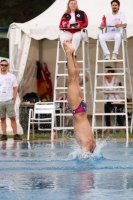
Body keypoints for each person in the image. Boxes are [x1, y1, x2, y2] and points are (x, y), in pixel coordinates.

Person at [63, 40, 96, 152]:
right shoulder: (87, 144)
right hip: (79, 111)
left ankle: (71, 53)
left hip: (82, 110)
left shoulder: (92, 143)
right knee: (74, 79)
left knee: (74, 78)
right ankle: (69, 53)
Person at [0, 59, 22, 141]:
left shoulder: (11, 76)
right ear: (0, 66)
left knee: (12, 117)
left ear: (8, 66)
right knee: (2, 118)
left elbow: (15, 88)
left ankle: (15, 134)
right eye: (2, 65)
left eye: (5, 65)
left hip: (9, 100)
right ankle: (4, 134)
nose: (3, 66)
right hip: (0, 100)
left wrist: (14, 99)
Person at [104, 66, 124, 134]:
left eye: (106, 72)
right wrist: (110, 91)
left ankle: (122, 129)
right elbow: (103, 90)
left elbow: (119, 89)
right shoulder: (104, 80)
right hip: (107, 100)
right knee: (107, 115)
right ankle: (108, 130)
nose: (105, 73)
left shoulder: (116, 79)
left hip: (116, 100)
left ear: (110, 72)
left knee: (118, 114)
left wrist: (109, 91)